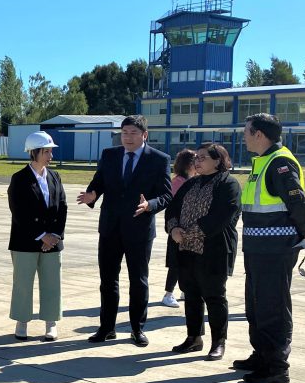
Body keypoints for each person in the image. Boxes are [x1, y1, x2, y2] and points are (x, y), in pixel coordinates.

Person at [77, 115, 172, 347]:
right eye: (124, 133)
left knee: (138, 281)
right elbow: (99, 182)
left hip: (139, 229)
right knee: (108, 280)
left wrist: (150, 205)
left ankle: (137, 329)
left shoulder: (159, 160)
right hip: (110, 227)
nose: (127, 138)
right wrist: (92, 195)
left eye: (133, 133)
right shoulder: (110, 155)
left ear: (144, 135)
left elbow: (167, 195)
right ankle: (106, 328)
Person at [235, 113, 305, 383]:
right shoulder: (263, 161)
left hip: (275, 249)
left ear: (259, 134)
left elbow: (299, 205)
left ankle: (276, 366)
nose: (243, 136)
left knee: (272, 307)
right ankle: (262, 355)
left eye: (246, 131)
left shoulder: (279, 162)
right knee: (256, 306)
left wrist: (302, 233)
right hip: (259, 248)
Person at [165, 143, 241, 360]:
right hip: (185, 250)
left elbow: (221, 217)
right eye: (196, 158)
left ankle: (218, 342)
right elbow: (172, 208)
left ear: (217, 160)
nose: (197, 161)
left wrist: (188, 233)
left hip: (213, 250)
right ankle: (194, 338)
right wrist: (174, 228)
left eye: (202, 158)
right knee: (191, 295)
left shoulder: (229, 184)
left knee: (214, 297)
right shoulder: (191, 184)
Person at [8, 131, 67, 342]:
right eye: (47, 151)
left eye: (51, 151)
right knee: (23, 283)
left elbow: (62, 207)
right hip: (25, 242)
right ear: (34, 152)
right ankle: (22, 322)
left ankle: (51, 323)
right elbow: (19, 212)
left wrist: (55, 236)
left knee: (52, 283)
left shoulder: (54, 176)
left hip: (52, 242)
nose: (50, 156)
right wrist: (41, 235)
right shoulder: (19, 179)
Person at [161, 148, 198, 308]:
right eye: (195, 161)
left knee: (189, 262)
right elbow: (174, 206)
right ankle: (168, 294)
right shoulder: (178, 182)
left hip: (190, 229)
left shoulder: (193, 180)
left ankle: (185, 290)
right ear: (188, 164)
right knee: (176, 263)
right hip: (178, 229)